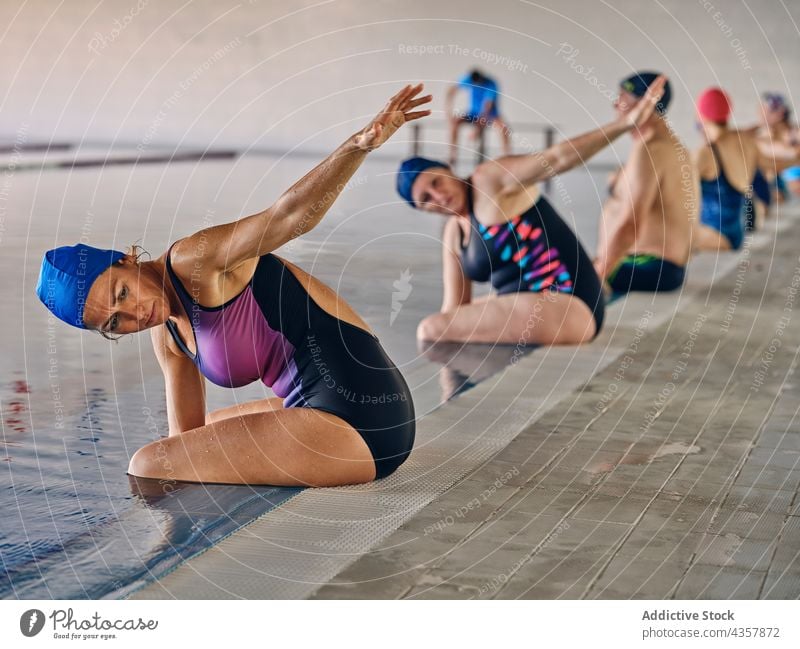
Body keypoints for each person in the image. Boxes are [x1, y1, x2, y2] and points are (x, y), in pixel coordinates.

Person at [36, 84, 432, 487]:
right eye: (115, 324)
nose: (135, 314)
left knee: (147, 465)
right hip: (318, 414)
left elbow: (287, 217)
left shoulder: (193, 261)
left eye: (122, 293)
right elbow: (185, 439)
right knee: (200, 435)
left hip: (359, 423)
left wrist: (358, 145)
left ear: (126, 259)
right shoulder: (168, 334)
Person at [396, 77, 666, 346]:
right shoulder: (454, 233)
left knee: (430, 329)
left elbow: (557, 158)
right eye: (425, 200)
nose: (438, 196)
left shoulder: (489, 180)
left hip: (568, 306)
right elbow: (454, 310)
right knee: (446, 322)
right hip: (533, 305)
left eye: (436, 182)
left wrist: (624, 125)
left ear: (448, 169)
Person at [595, 72, 694, 293]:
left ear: (644, 104)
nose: (615, 103)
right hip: (660, 265)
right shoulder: (666, 144)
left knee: (559, 276)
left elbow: (631, 223)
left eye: (623, 97)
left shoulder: (651, 150)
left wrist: (600, 273)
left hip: (651, 265)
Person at [691, 87, 759, 251]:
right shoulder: (746, 142)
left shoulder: (705, 152)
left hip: (714, 233)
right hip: (736, 231)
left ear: (701, 115)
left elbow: (673, 190)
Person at [445, 69, 511, 166]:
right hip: (473, 113)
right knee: (454, 122)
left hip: (491, 114)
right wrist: (448, 110)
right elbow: (451, 90)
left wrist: (477, 128)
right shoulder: (468, 79)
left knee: (503, 128)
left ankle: (506, 157)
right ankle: (452, 155)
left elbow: (487, 107)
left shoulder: (491, 83)